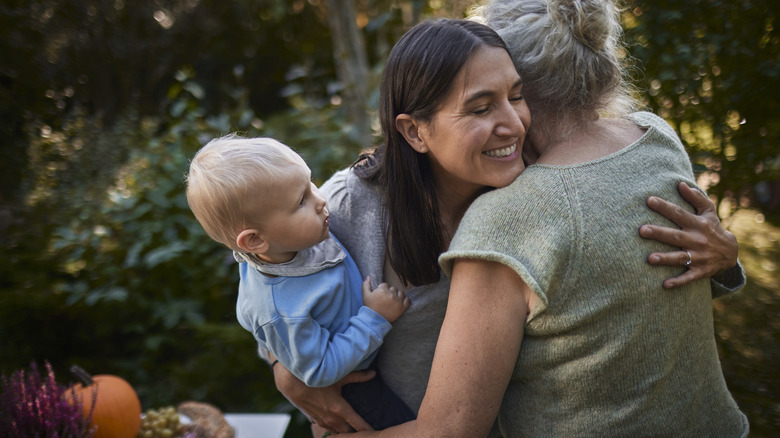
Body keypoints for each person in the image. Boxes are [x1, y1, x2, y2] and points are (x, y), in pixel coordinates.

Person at [271, 15, 746, 436]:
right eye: (480, 108)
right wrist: (283, 364)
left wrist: (723, 257)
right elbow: (273, 281)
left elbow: (624, 284)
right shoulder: (346, 208)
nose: (514, 124)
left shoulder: (523, 188)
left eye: (517, 96)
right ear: (414, 131)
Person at [184, 135, 414, 430]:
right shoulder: (282, 309)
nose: (320, 201)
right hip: (354, 388)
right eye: (301, 201)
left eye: (310, 184)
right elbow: (318, 370)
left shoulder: (289, 244)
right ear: (255, 240)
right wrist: (374, 317)